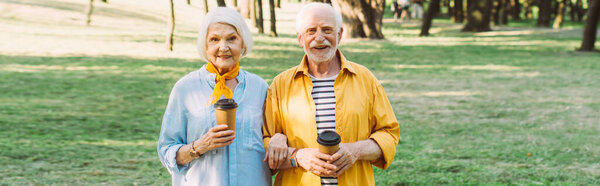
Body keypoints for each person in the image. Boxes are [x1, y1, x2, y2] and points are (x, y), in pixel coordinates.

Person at [262, 3, 400, 186]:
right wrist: (298, 156)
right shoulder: (280, 85)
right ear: (300, 39)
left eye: (327, 30)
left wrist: (355, 150)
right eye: (311, 31)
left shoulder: (366, 79)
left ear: (339, 34)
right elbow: (265, 145)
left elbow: (389, 135)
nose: (319, 38)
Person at [157, 7, 270, 186]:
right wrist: (200, 146)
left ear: (243, 43)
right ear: (205, 45)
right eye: (214, 39)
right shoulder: (185, 89)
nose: (223, 47)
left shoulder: (261, 88)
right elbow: (166, 151)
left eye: (232, 39)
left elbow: (272, 142)